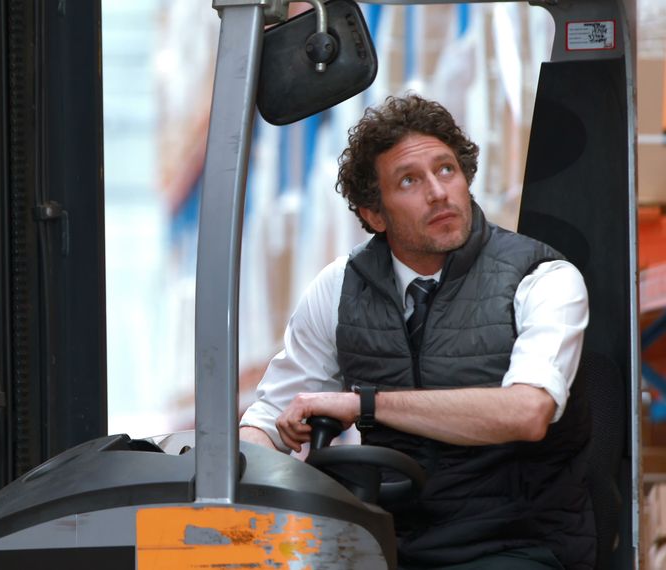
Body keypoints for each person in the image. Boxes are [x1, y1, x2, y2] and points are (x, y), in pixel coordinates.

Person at [239, 94, 594, 569]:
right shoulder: (339, 288)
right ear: (374, 215)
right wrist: (247, 470)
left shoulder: (542, 278)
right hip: (387, 544)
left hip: (516, 546)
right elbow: (267, 419)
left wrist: (365, 404)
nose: (438, 192)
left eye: (447, 170)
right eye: (410, 180)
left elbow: (528, 411)